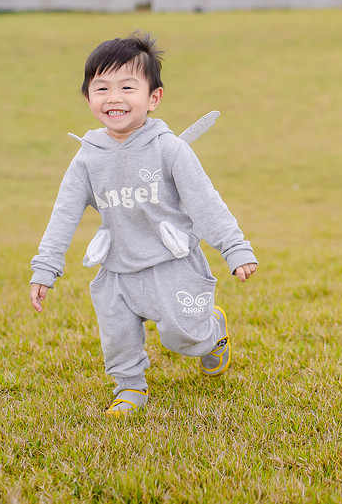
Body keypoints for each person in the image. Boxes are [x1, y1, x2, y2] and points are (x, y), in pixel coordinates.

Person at [29, 32, 257, 416]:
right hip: (117, 265)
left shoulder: (170, 149)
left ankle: (212, 333)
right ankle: (130, 387)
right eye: (101, 87)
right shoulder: (87, 159)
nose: (113, 97)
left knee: (184, 337)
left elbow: (205, 202)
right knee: (117, 337)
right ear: (88, 98)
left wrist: (234, 248)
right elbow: (63, 216)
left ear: (153, 98)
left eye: (127, 87)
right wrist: (45, 267)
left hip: (172, 262)